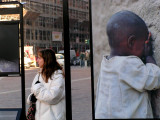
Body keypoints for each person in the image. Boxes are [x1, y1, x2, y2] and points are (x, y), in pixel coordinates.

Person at [95, 10, 160, 119]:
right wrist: (149, 56)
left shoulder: (106, 64)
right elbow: (154, 79)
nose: (145, 47)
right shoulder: (128, 64)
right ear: (131, 42)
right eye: (144, 43)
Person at [27, 49, 66, 120]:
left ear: (47, 60)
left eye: (39, 58)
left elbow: (53, 97)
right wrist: (31, 98)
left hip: (53, 117)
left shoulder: (57, 76)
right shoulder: (39, 75)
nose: (37, 60)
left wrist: (37, 90)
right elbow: (34, 93)